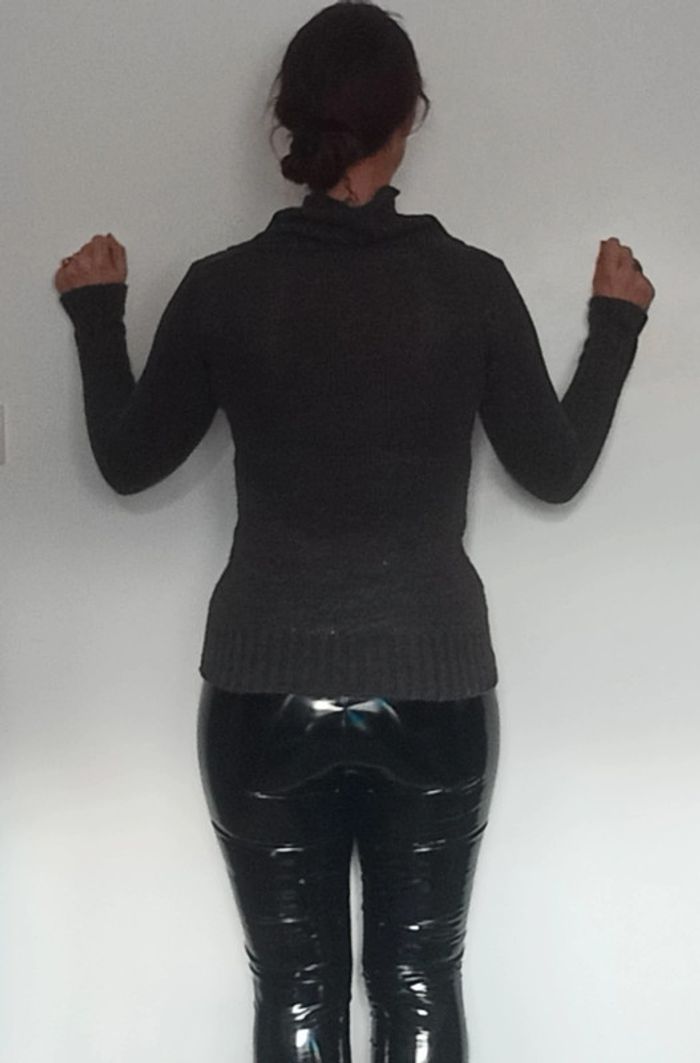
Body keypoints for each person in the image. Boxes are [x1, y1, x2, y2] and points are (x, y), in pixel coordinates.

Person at [54, 3, 655, 1060]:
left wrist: (99, 318)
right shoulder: (470, 285)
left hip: (262, 697)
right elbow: (553, 470)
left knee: (295, 989)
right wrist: (615, 326)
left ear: (288, 120)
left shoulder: (225, 289)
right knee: (419, 980)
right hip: (433, 690)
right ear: (407, 117)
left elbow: (128, 459)